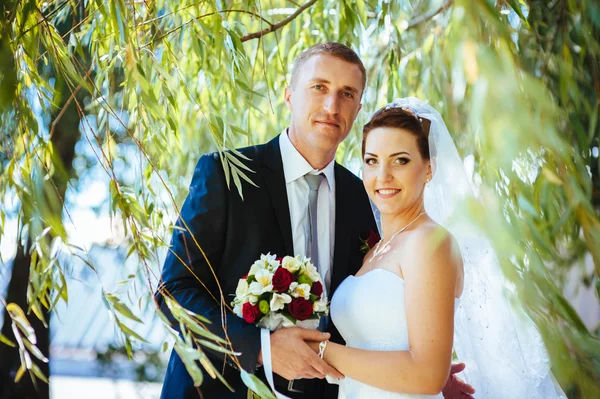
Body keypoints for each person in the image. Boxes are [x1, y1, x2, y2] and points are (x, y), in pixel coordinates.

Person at [155, 43, 473, 399]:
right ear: (289, 94)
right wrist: (263, 347)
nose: (331, 106)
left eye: (346, 93)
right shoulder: (227, 176)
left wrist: (427, 369)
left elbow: (379, 305)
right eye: (319, 87)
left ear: (358, 109)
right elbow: (174, 291)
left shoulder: (365, 199)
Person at [308, 98, 567, 399]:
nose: (383, 176)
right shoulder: (375, 251)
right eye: (372, 160)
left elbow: (427, 374)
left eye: (400, 160)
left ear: (429, 169)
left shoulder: (430, 243)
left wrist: (321, 351)